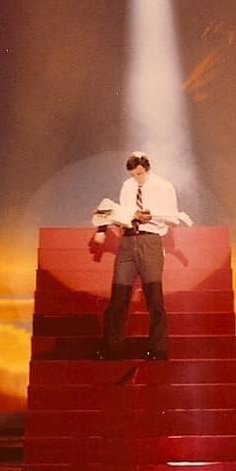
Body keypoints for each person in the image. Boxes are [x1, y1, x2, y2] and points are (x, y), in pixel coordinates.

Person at [98, 152, 179, 361]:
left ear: (147, 169)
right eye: (133, 174)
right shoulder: (127, 186)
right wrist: (112, 217)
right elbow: (124, 213)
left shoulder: (164, 186)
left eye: (140, 174)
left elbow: (173, 219)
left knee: (154, 298)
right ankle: (112, 347)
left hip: (150, 240)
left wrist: (152, 215)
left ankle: (158, 348)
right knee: (119, 296)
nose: (137, 178)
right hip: (127, 241)